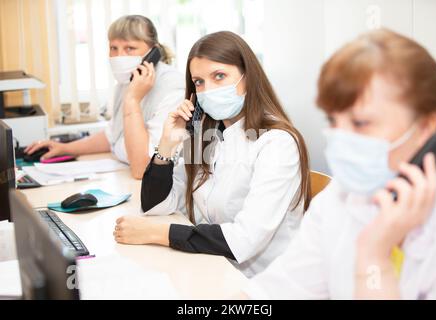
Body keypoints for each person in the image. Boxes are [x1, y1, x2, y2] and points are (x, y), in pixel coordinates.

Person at [239, 29, 436, 299]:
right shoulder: (340, 199)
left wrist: (374, 257)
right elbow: (273, 293)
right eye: (333, 122)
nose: (341, 140)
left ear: (425, 126)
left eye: (360, 123)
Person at [113, 31, 311, 278]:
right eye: (199, 82)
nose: (208, 90)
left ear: (248, 77)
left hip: (262, 285)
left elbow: (244, 240)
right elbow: (157, 205)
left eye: (219, 76)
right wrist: (166, 144)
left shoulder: (277, 143)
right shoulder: (208, 136)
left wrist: (157, 233)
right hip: (214, 267)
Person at [25, 15, 185, 179]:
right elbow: (113, 136)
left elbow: (143, 168)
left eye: (130, 48)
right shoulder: (128, 81)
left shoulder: (173, 88)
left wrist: (132, 100)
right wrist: (65, 148)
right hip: (124, 177)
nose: (118, 56)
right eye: (113, 48)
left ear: (154, 52)